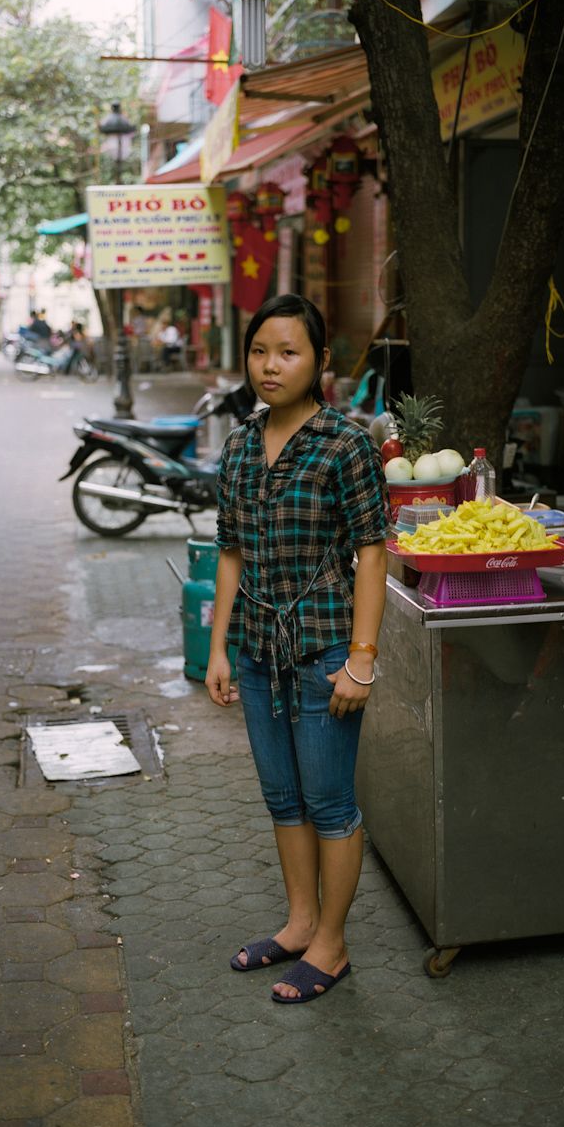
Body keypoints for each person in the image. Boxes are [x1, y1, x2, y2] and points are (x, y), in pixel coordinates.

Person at [206, 294, 389, 1005]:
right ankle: (300, 923)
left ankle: (333, 947)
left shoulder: (344, 444)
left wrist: (362, 658)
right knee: (283, 799)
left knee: (330, 803)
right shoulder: (240, 444)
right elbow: (230, 552)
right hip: (255, 652)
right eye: (259, 352)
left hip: (321, 651)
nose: (270, 366)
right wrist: (219, 648)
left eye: (287, 352)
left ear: (319, 363)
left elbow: (371, 555)